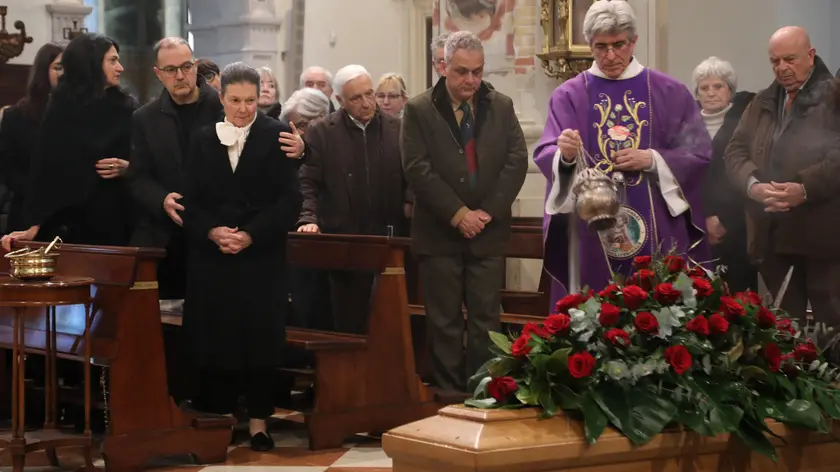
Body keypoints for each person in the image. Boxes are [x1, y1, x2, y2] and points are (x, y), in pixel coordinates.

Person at [533, 0, 711, 306]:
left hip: (658, 225)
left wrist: (653, 159)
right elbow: (547, 151)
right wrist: (566, 155)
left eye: (619, 45)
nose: (611, 55)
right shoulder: (569, 95)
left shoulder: (669, 91)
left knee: (657, 308)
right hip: (591, 227)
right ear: (589, 45)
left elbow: (698, 153)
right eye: (601, 47)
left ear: (634, 41)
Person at [181, 62, 302, 451]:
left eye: (250, 101)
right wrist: (211, 231)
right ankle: (221, 417)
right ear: (221, 98)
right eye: (235, 100)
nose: (244, 109)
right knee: (218, 335)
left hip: (261, 256)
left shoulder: (277, 134)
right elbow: (190, 201)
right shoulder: (202, 138)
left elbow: (290, 201)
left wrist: (251, 235)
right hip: (214, 256)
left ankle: (259, 422)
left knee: (261, 338)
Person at [401, 31, 528, 395]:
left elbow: (516, 161)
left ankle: (484, 392)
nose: (471, 80)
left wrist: (486, 212)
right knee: (444, 320)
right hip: (439, 232)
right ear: (443, 67)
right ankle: (450, 396)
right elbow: (417, 168)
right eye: (461, 71)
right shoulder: (419, 109)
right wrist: (458, 214)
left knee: (486, 319)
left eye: (477, 71)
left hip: (488, 231)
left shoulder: (500, 105)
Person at [725, 26, 840, 327]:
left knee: (832, 330)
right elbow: (734, 151)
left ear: (811, 55)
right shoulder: (763, 100)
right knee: (783, 333)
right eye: (775, 61)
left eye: (790, 59)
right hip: (772, 238)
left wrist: (804, 188)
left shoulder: (834, 96)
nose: (782, 68)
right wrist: (753, 186)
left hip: (825, 240)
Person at [297, 64, 408, 334]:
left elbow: (414, 174)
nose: (367, 103)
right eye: (356, 98)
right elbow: (308, 181)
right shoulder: (322, 132)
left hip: (389, 239)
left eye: (370, 94)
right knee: (348, 322)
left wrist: (410, 202)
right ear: (339, 100)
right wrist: (308, 218)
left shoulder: (397, 129)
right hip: (344, 242)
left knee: (389, 322)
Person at [1, 33, 137, 251]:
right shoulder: (60, 109)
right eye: (112, 61)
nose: (120, 68)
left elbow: (149, 162)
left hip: (116, 219)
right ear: (92, 64)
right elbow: (45, 173)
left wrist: (129, 168)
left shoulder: (128, 109)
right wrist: (35, 224)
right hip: (68, 225)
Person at [129, 38, 223, 304]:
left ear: (196, 66)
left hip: (215, 231)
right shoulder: (144, 118)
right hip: (166, 234)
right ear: (158, 74)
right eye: (170, 70)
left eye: (186, 67)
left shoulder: (223, 108)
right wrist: (161, 199)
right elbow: (137, 177)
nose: (180, 76)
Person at [692, 56, 756, 293]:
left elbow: (748, 173)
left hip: (736, 226)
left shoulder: (747, 124)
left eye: (718, 86)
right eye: (704, 88)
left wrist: (725, 220)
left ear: (730, 90)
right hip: (695, 227)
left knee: (737, 300)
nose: (711, 93)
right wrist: (701, 219)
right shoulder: (686, 125)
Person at [0, 42, 64, 235]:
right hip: (26, 213)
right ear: (43, 71)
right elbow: (8, 169)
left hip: (68, 216)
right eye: (58, 67)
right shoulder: (15, 116)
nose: (64, 74)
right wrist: (41, 194)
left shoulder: (80, 114)